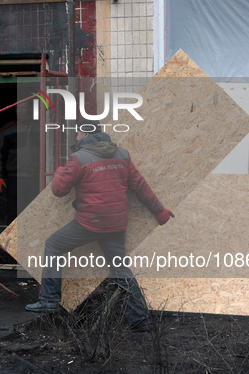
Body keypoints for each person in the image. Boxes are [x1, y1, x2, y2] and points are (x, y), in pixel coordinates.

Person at [25, 120, 174, 332]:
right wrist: (159, 210)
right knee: (120, 269)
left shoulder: (79, 158)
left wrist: (59, 171)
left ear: (85, 134)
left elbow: (59, 190)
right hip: (116, 223)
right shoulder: (122, 154)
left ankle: (48, 300)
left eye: (77, 133)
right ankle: (140, 320)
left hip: (89, 223)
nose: (76, 137)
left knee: (53, 245)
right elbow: (140, 186)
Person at [0, 101, 40, 224]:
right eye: (17, 108)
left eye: (23, 107)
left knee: (34, 210)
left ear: (30, 109)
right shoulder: (7, 130)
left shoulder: (40, 126)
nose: (20, 110)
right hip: (15, 179)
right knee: (14, 212)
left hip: (36, 177)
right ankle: (15, 240)